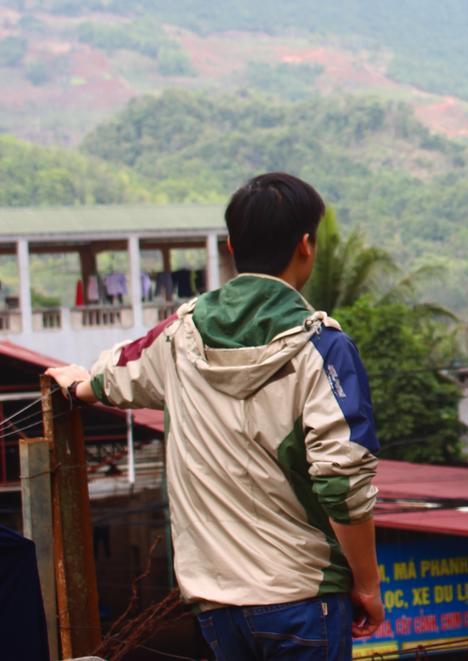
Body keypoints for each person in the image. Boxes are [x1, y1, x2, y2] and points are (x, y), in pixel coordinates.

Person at [46, 172, 384, 660]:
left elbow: (117, 374)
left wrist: (77, 385)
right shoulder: (324, 349)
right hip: (303, 598)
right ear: (306, 245)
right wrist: (368, 586)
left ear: (230, 246)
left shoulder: (177, 338)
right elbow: (343, 480)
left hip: (216, 607)